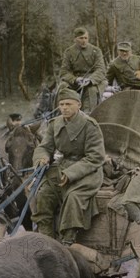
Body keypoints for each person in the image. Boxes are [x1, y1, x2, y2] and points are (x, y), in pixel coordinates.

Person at [31, 88, 105, 245]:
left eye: (68, 104)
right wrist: (42, 158)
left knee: (73, 198)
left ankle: (67, 241)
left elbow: (96, 157)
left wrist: (71, 173)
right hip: (61, 167)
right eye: (61, 104)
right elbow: (45, 146)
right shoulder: (54, 124)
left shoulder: (89, 125)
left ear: (78, 105)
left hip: (86, 172)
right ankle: (46, 239)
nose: (64, 108)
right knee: (43, 194)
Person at [60, 27, 107, 113]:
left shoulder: (96, 51)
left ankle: (89, 115)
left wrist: (90, 80)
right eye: (81, 38)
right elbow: (64, 72)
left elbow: (101, 69)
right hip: (76, 80)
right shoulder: (69, 52)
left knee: (91, 90)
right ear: (75, 39)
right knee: (63, 86)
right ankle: (61, 114)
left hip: (94, 80)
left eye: (86, 38)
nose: (84, 41)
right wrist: (75, 79)